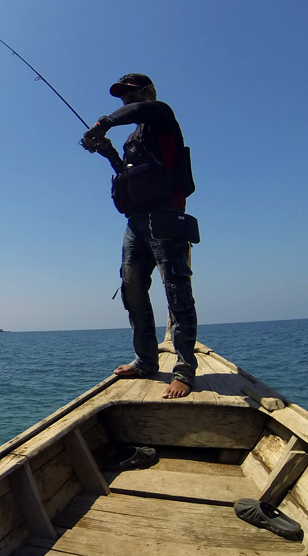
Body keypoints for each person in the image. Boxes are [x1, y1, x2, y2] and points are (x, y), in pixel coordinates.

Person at [81, 73, 198, 399]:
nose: (126, 99)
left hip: (166, 219)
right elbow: (130, 177)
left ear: (147, 92)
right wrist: (109, 153)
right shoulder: (135, 138)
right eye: (122, 95)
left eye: (131, 93)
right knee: (132, 288)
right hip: (135, 223)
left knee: (176, 292)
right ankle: (146, 360)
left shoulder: (160, 114)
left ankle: (185, 369)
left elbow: (138, 113)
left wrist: (103, 122)